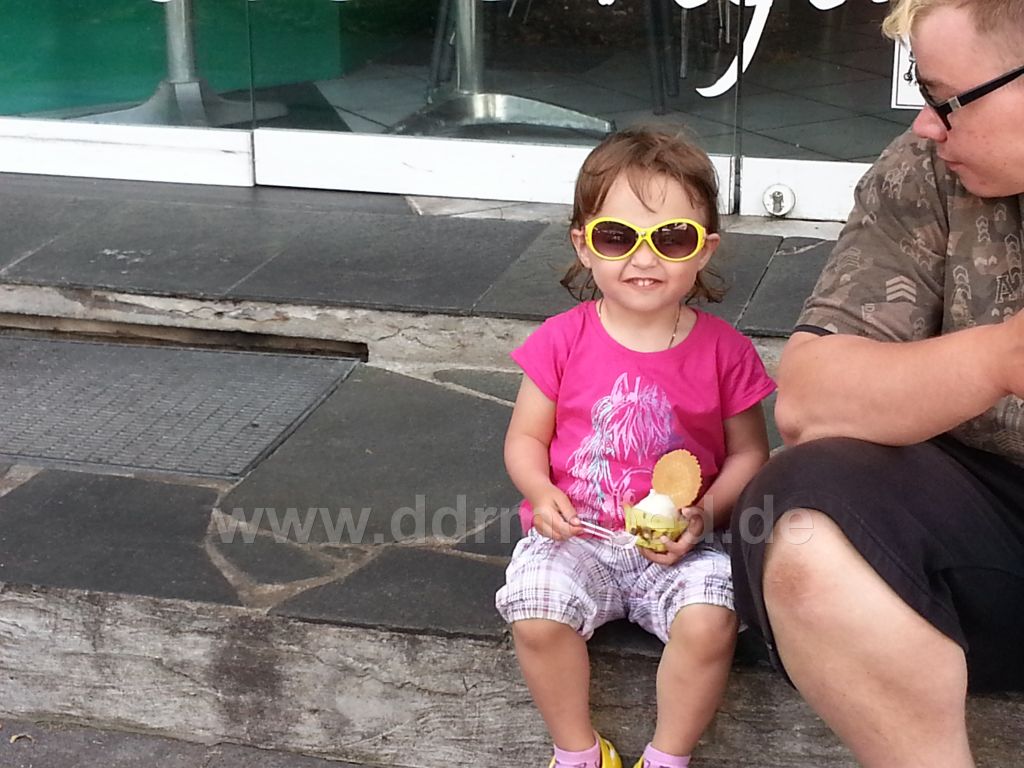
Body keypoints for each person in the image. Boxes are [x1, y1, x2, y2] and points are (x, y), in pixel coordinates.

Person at [729, 1, 1024, 766]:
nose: (927, 123)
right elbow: (811, 400)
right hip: (988, 519)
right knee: (802, 510)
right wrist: (999, 359)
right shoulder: (928, 169)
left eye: (947, 99)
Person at [495, 127, 775, 768]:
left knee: (712, 621)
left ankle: (667, 757)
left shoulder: (726, 351)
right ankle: (579, 753)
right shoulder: (561, 340)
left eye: (671, 238)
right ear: (583, 245)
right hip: (576, 535)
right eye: (617, 237)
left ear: (704, 250)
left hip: (684, 545)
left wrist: (706, 514)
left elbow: (749, 455)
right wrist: (540, 491)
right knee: (535, 616)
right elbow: (526, 438)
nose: (643, 259)